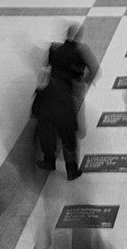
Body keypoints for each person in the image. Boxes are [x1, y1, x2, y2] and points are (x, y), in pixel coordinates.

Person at [38, 23, 97, 179]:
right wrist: (84, 80)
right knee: (68, 132)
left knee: (47, 130)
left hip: (50, 95)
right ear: (79, 37)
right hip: (68, 97)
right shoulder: (81, 52)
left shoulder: (54, 49)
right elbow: (95, 69)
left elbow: (45, 71)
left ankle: (48, 160)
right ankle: (71, 169)